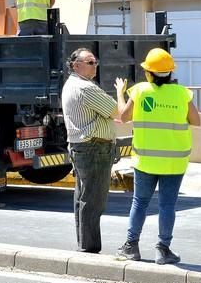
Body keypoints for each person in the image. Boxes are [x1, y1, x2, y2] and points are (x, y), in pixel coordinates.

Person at [114, 48, 201, 265]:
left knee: (140, 202)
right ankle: (163, 250)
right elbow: (196, 120)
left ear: (149, 73)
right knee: (167, 205)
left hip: (145, 160)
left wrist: (120, 92)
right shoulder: (182, 93)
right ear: (170, 73)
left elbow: (123, 117)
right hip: (174, 162)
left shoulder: (140, 91)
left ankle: (131, 247)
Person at [62, 47, 123, 253]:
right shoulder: (86, 89)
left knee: (84, 197)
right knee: (93, 199)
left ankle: (85, 244)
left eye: (95, 61)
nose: (95, 65)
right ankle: (89, 247)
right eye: (90, 62)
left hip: (84, 147)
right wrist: (121, 93)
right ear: (75, 65)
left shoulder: (73, 84)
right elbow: (119, 113)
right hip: (94, 147)